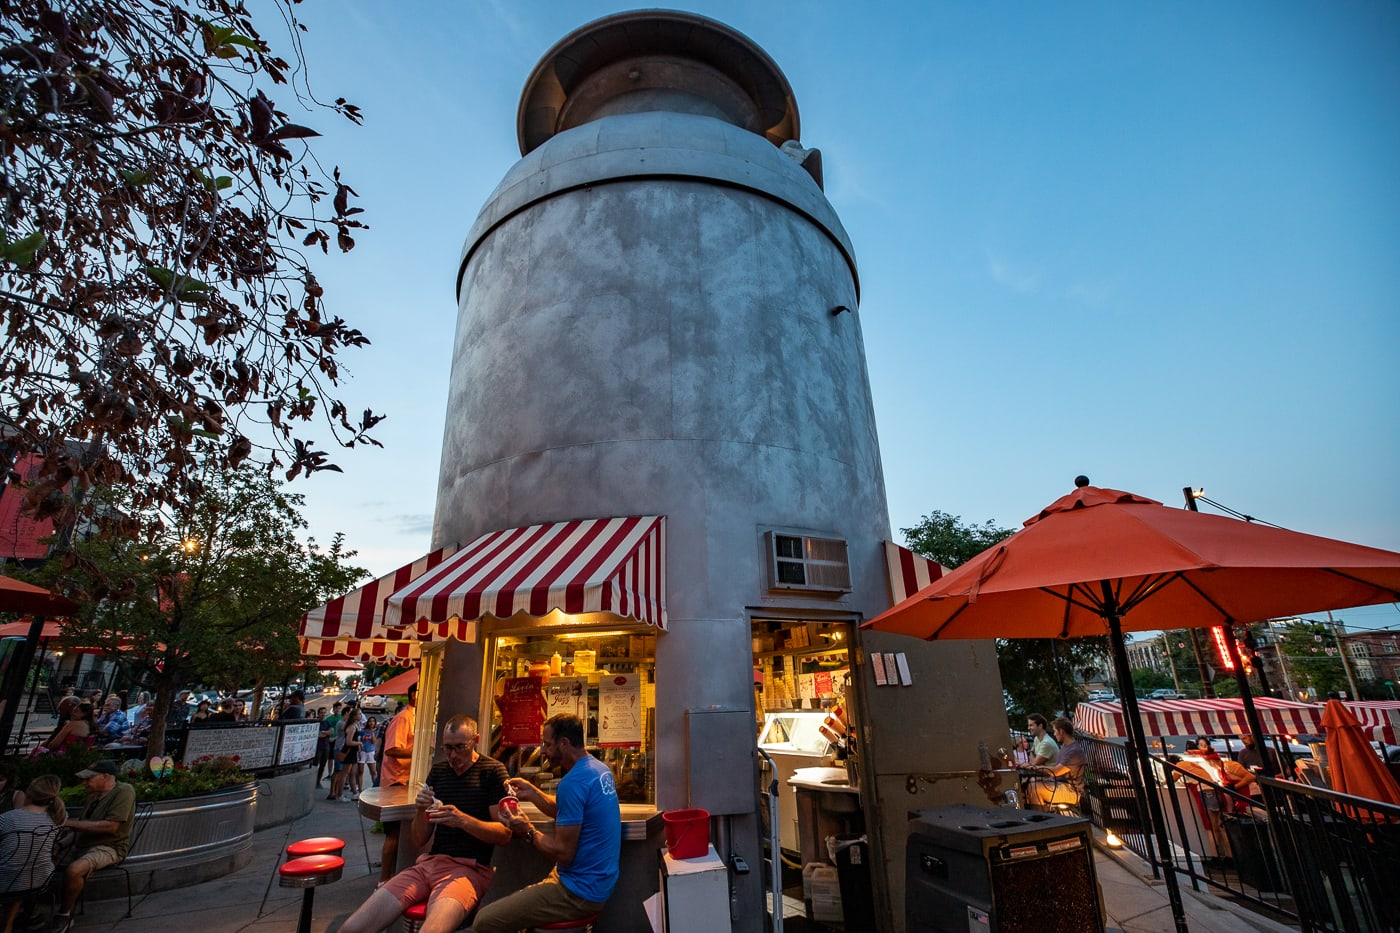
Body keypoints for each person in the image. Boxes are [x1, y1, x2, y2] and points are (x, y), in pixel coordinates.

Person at [339, 714, 511, 933]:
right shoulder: (439, 772)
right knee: (351, 928)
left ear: (476, 741)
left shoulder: (492, 772)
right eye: (448, 748)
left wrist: (463, 821)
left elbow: (504, 834)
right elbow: (420, 838)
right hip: (428, 864)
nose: (453, 755)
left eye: (460, 747)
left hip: (468, 869)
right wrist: (420, 810)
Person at [474, 714, 621, 933]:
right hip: (599, 883)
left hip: (577, 893)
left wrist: (527, 830)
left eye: (547, 744)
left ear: (564, 743)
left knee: (484, 922)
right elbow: (569, 811)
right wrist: (533, 793)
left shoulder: (573, 783)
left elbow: (564, 853)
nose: (543, 750)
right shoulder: (598, 769)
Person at [53, 760, 136, 932]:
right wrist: (60, 845)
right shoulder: (93, 796)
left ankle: (64, 914)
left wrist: (68, 823)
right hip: (81, 845)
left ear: (106, 777)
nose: (84, 783)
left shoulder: (124, 791)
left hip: (109, 847)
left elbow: (111, 827)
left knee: (74, 870)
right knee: (38, 861)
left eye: (89, 778)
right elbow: (83, 827)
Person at [0, 775, 66, 933]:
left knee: (12, 871)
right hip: (40, 879)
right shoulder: (58, 818)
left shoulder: (7, 818)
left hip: (7, 881)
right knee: (19, 871)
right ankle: (10, 924)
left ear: (28, 793)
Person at [377, 685, 416, 883]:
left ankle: (393, 876)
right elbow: (392, 749)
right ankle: (384, 879)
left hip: (406, 781)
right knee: (394, 833)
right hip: (395, 782)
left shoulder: (417, 717)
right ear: (414, 694)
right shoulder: (403, 718)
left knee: (402, 833)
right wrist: (420, 750)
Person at [1024, 718, 1087, 810]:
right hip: (1061, 784)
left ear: (1061, 731)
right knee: (1031, 781)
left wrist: (1034, 767)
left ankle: (1042, 819)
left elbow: (1056, 771)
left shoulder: (1074, 751)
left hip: (1071, 791)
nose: (1054, 734)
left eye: (1054, 731)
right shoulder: (1065, 747)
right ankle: (1041, 814)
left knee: (1035, 787)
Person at [359, 717, 379, 788]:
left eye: (373, 721)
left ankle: (375, 788)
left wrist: (372, 732)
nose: (371, 723)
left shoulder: (376, 731)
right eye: (370, 721)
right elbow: (359, 738)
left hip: (371, 752)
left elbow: (373, 741)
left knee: (373, 772)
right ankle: (360, 789)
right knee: (360, 772)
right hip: (362, 752)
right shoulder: (363, 731)